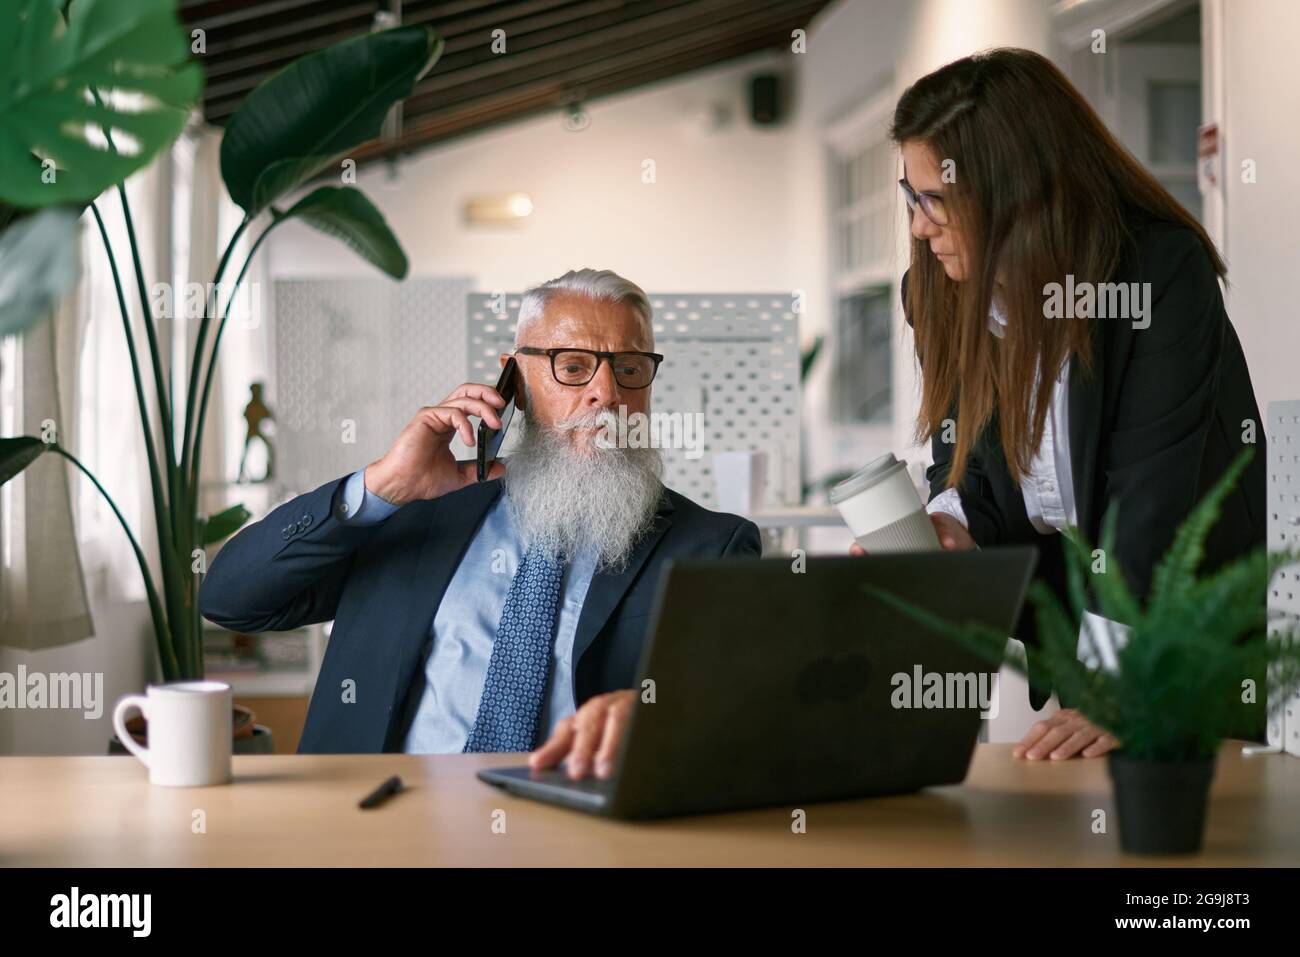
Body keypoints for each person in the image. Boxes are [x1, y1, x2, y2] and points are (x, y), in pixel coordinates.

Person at [858, 48, 1265, 760]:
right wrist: (950, 527)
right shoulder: (936, 289)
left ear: (1014, 193)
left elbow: (1149, 495)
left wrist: (1120, 686)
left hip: (1186, 633)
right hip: (1079, 623)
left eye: (936, 201)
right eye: (909, 197)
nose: (919, 227)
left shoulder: (1159, 274)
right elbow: (969, 462)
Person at [200, 268, 761, 777]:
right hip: (377, 828)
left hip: (580, 837)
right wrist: (379, 488)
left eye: (631, 368)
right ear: (513, 379)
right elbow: (231, 599)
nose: (606, 394)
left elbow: (739, 714)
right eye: (572, 366)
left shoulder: (708, 544)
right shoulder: (414, 509)